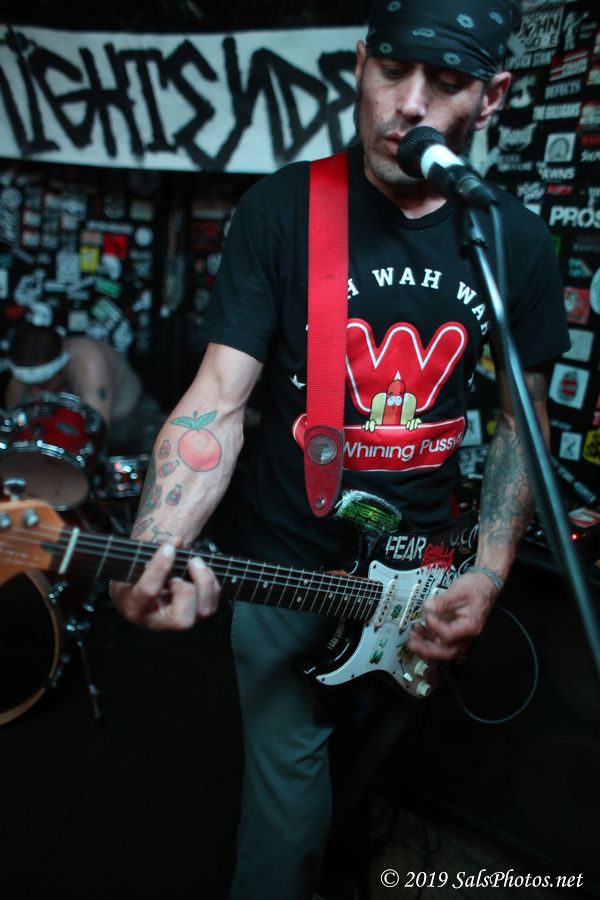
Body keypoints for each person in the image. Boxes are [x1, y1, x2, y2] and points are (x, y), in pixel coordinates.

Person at [112, 1, 570, 898]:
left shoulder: (510, 240)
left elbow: (523, 425)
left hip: (427, 577)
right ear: (359, 63)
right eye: (391, 70)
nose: (409, 103)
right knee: (286, 829)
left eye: (446, 83)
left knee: (370, 767)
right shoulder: (285, 211)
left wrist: (488, 572)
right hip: (288, 567)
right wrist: (153, 541)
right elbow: (217, 402)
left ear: (492, 98)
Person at [4, 324, 164, 455]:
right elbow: (14, 424)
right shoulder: (28, 370)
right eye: (27, 386)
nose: (35, 393)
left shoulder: (90, 363)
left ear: (62, 367)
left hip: (130, 418)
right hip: (69, 424)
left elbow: (96, 434)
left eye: (43, 385)